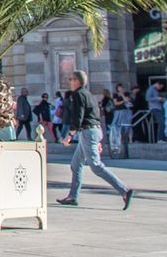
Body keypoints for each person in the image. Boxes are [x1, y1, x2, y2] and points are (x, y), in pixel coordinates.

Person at [57, 71, 133, 210]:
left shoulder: (78, 94)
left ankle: (124, 190)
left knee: (96, 166)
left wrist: (70, 135)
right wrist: (97, 139)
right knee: (76, 165)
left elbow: (78, 116)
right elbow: (95, 115)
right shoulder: (89, 95)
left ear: (77, 81)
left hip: (88, 132)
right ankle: (72, 196)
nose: (70, 82)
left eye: (71, 79)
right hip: (92, 131)